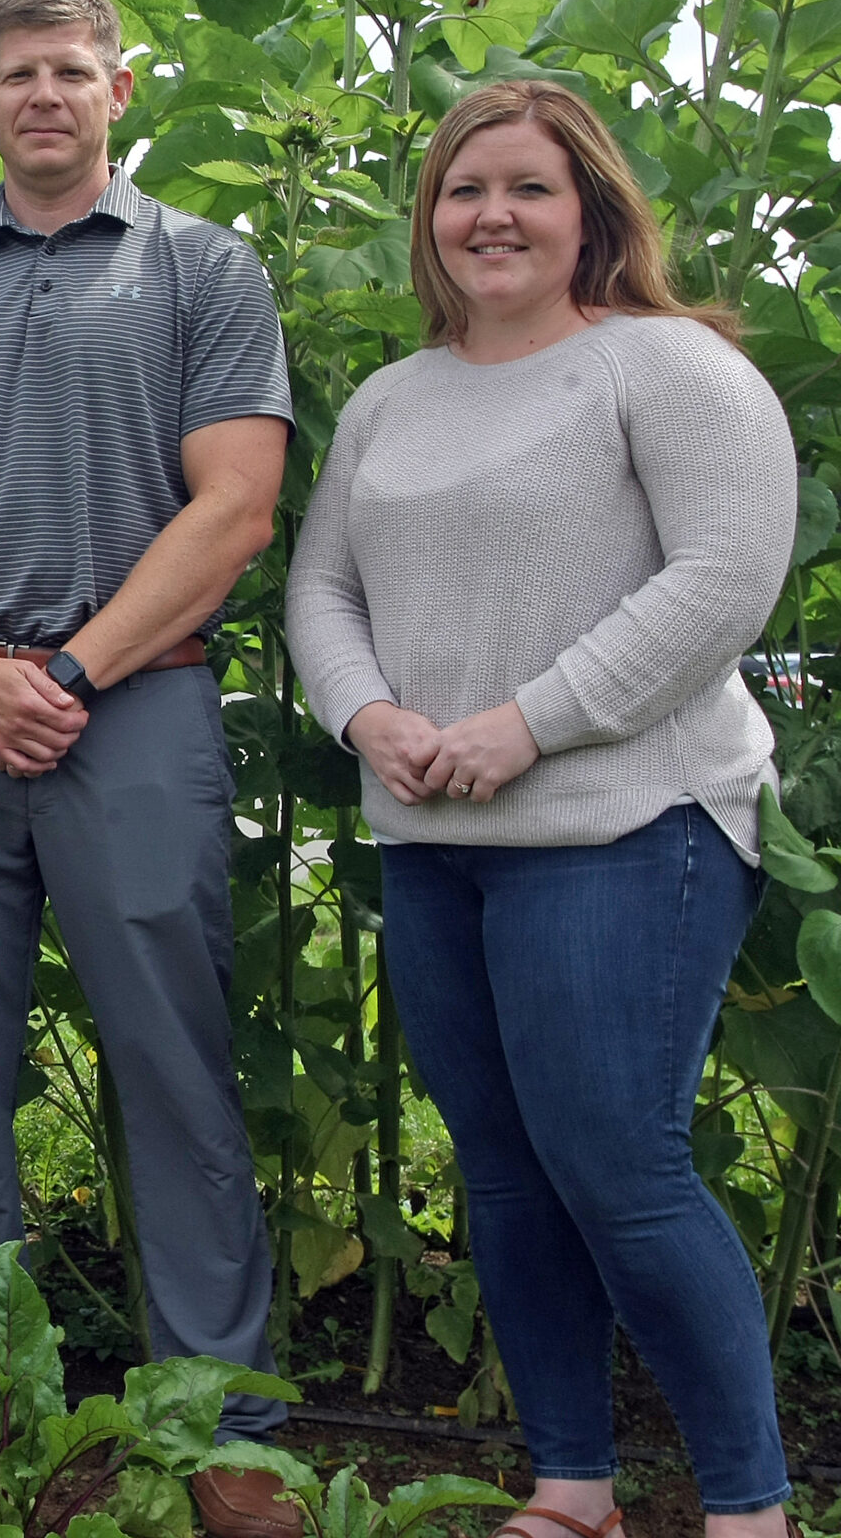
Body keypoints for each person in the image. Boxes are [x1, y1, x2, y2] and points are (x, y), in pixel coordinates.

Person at [287, 80, 796, 1538]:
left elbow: (722, 578)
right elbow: (325, 584)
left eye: (528, 188)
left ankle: (751, 1509)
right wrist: (366, 712)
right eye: (463, 191)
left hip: (629, 831)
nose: (492, 216)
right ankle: (573, 1484)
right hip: (438, 843)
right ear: (430, 222)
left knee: (621, 1169)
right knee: (505, 1179)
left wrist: (530, 724)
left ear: (593, 212)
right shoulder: (396, 397)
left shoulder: (664, 369)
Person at [0, 0, 298, 1538]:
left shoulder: (205, 272)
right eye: (19, 72)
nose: (46, 94)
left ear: (119, 92)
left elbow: (234, 504)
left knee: (173, 1061)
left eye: (74, 71)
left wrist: (75, 672)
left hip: (139, 701)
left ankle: (216, 1422)